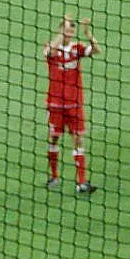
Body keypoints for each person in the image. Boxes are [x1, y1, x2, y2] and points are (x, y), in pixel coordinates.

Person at [44, 15, 100, 193]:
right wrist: (61, 31)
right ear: (61, 30)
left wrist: (87, 33)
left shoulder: (77, 48)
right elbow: (50, 52)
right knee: (54, 138)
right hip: (55, 104)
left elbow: (97, 50)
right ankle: (54, 176)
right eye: (67, 30)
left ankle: (81, 182)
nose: (70, 33)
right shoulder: (51, 47)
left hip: (74, 103)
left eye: (72, 31)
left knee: (78, 139)